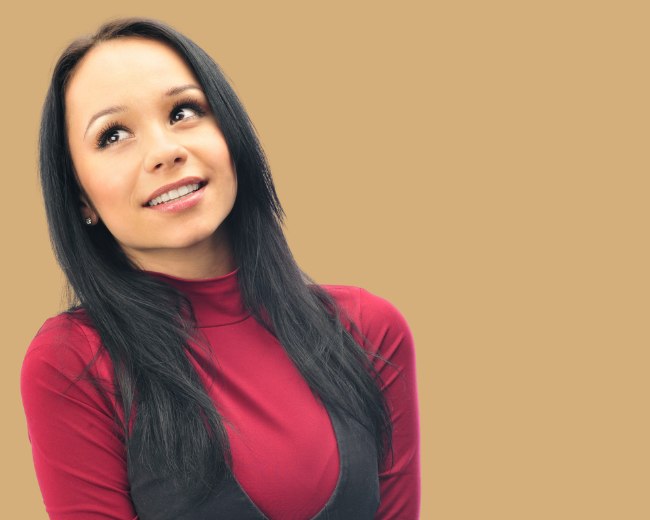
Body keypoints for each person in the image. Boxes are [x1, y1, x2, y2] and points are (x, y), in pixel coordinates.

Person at [20, 17, 420, 520]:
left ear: (230, 133)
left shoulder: (369, 331)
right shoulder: (74, 362)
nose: (165, 152)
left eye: (184, 111)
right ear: (81, 198)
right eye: (113, 134)